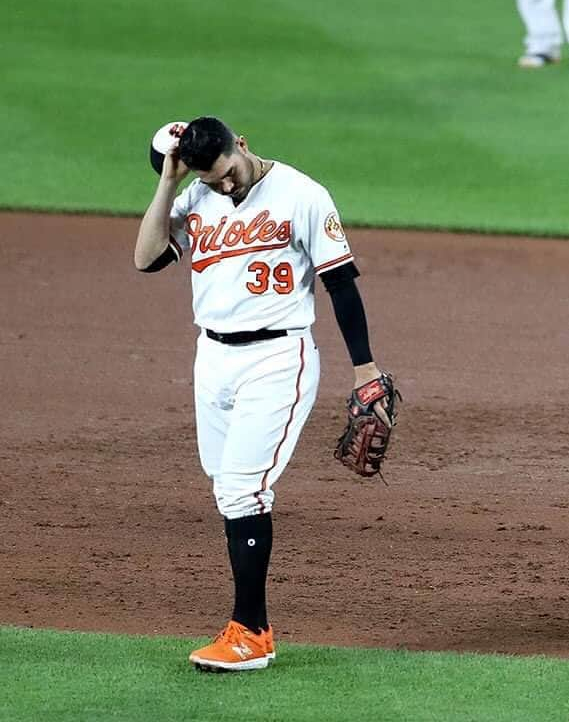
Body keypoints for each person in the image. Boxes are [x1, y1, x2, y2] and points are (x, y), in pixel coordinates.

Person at [133, 117, 398, 670]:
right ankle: (248, 629)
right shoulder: (196, 195)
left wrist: (364, 368)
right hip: (213, 358)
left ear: (243, 145)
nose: (224, 186)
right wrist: (170, 182)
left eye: (227, 172)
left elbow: (341, 283)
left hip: (279, 358)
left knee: (241, 490)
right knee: (227, 486)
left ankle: (251, 634)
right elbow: (147, 256)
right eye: (211, 178)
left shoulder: (301, 194)